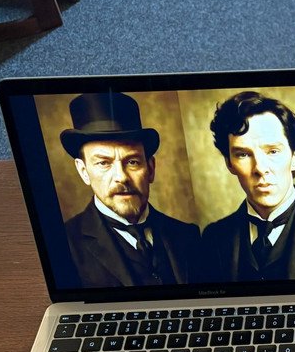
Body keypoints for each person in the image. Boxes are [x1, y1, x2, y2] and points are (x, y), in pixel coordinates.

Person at [60, 92, 200, 287]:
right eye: (103, 163)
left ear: (150, 169)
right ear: (84, 171)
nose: (122, 177)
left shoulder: (189, 235)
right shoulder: (63, 245)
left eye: (132, 162)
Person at [201, 91, 295, 282]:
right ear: (229, 164)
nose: (260, 168)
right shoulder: (212, 238)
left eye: (273, 151)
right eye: (243, 154)